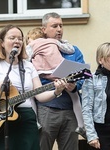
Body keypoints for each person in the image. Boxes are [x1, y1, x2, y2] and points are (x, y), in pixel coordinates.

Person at [0, 24, 66, 150]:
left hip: (26, 118)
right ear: (2, 43)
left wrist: (56, 91)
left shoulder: (28, 66)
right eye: (12, 38)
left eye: (19, 38)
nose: (16, 41)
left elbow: (39, 95)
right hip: (3, 120)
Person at [36, 12, 86, 150]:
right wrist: (55, 86)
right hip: (47, 109)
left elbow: (84, 76)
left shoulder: (73, 51)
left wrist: (74, 86)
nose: (59, 29)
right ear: (44, 29)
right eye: (54, 26)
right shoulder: (38, 49)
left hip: (71, 110)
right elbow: (34, 78)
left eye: (61, 26)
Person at [25, 27, 86, 138]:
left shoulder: (30, 46)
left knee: (31, 96)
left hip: (42, 72)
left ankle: (36, 122)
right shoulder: (52, 41)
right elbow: (69, 49)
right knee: (75, 97)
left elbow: (25, 59)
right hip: (60, 71)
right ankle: (81, 125)